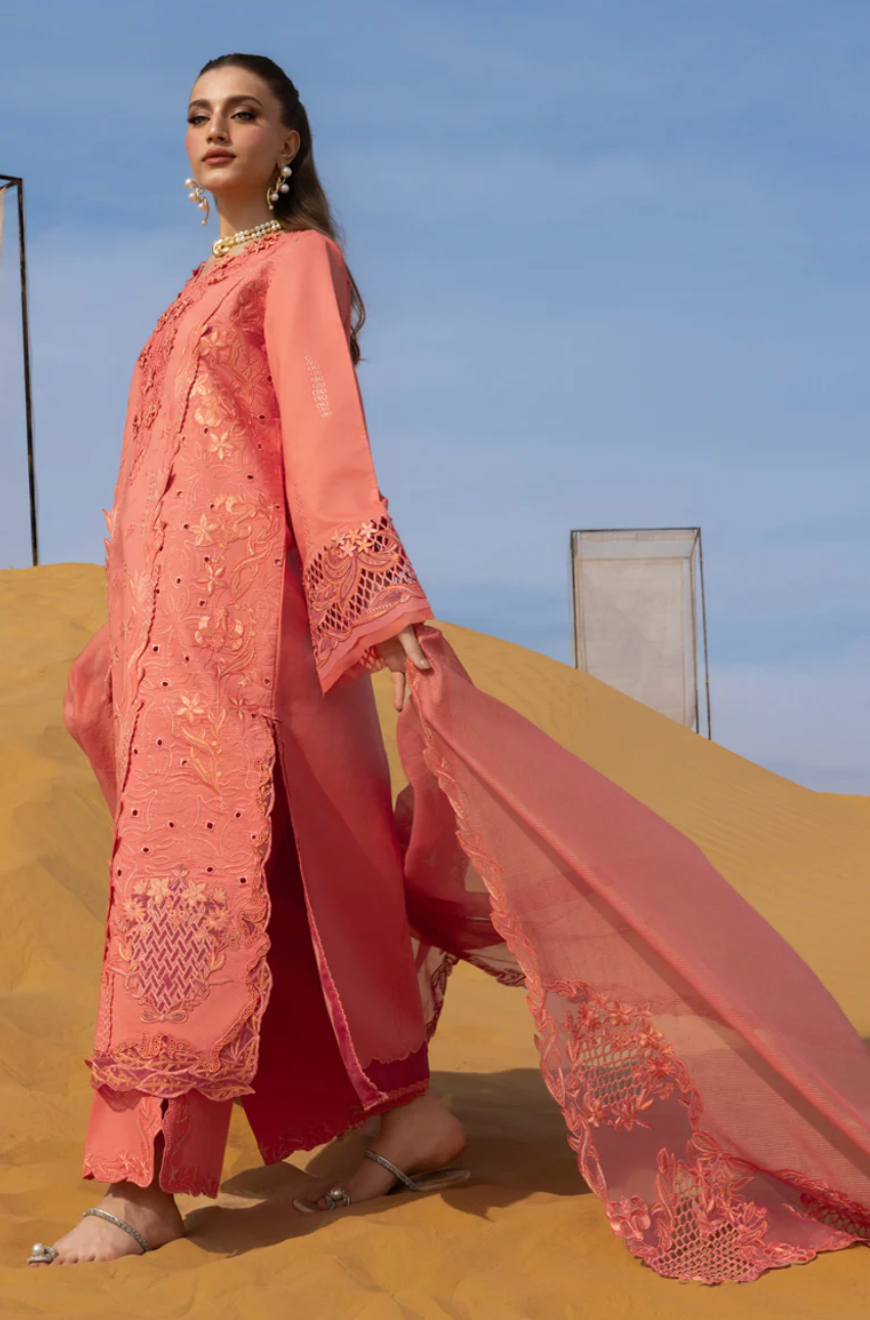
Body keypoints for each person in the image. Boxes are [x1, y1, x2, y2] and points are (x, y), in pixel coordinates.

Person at [33, 53, 870, 1284]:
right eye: (199, 116)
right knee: (316, 889)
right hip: (171, 650)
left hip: (263, 641)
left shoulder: (297, 265)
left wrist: (377, 606)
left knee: (203, 893)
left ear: (290, 143)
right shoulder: (188, 294)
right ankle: (410, 1118)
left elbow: (327, 446)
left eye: (244, 114)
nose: (216, 132)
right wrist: (123, 632)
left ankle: (146, 1180)